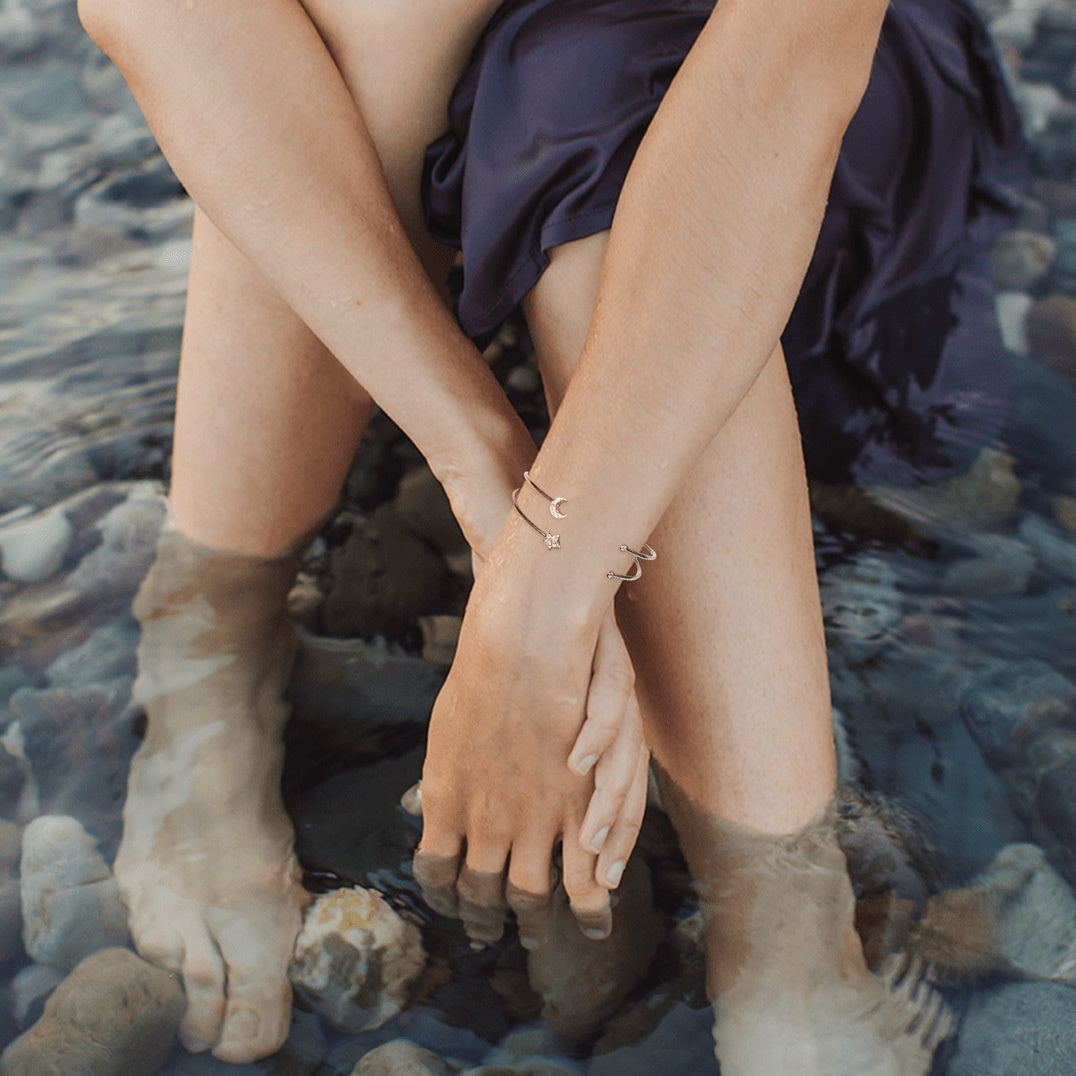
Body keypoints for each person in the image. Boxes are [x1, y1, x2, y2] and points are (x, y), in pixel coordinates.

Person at [75, 0, 1024, 1068]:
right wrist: (485, 472)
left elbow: (787, 71)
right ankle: (217, 632)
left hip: (798, 173)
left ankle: (782, 916)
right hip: (435, 134)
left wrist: (538, 606)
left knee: (580, 89)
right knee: (386, 16)